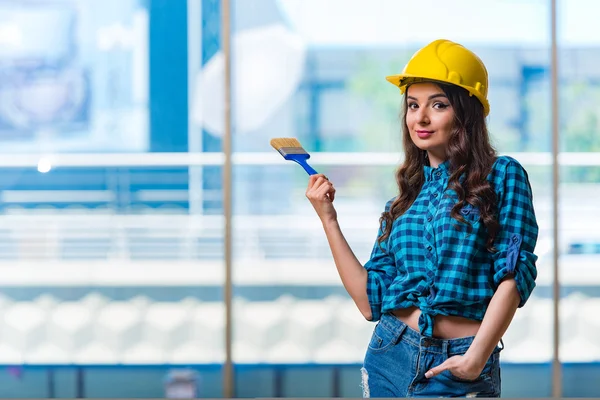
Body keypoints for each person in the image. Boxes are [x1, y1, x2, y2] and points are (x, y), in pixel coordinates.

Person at [305, 39, 538, 398]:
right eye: (413, 105)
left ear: (466, 112)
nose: (421, 118)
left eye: (438, 105)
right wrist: (328, 219)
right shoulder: (403, 201)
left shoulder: (502, 175)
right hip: (390, 354)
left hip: (459, 364)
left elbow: (514, 273)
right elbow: (370, 302)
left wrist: (476, 358)